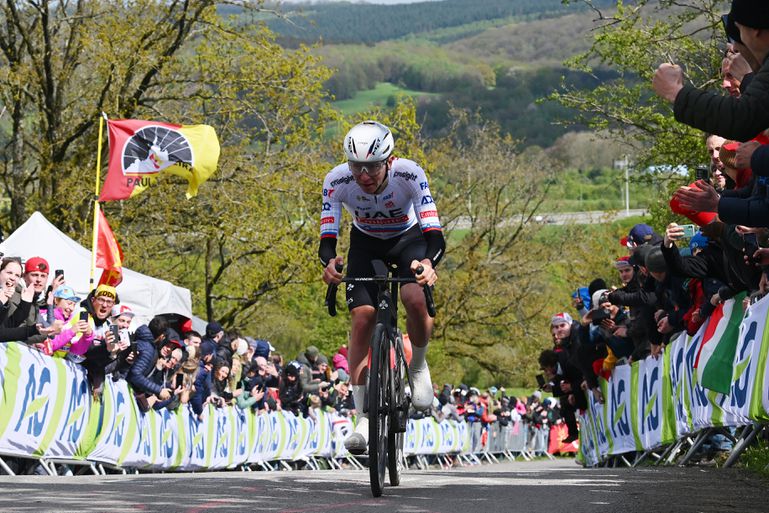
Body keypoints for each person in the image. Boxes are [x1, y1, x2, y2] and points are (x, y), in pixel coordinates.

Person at [318, 120, 445, 454]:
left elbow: (434, 233)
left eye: (372, 167)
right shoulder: (336, 181)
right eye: (356, 167)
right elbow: (327, 238)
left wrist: (428, 265)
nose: (363, 175)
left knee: (413, 296)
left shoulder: (410, 174)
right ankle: (362, 417)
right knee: (362, 317)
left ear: (390, 161)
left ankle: (417, 365)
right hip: (365, 244)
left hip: (408, 240)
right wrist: (329, 264)